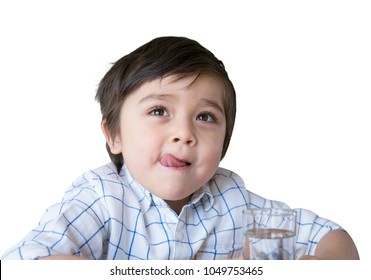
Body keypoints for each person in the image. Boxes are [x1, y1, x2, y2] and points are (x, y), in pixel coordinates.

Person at [2, 36, 359, 260]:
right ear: (115, 136)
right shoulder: (101, 197)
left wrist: (320, 266)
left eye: (205, 117)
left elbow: (334, 238)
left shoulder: (234, 199)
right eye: (159, 111)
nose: (184, 133)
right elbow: (26, 261)